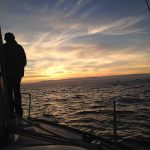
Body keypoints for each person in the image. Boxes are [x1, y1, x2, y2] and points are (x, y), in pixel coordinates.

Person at [3, 32, 27, 118]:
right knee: (16, 93)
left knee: (10, 93)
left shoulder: (3, 48)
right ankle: (18, 113)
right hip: (16, 75)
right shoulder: (19, 47)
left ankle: (12, 113)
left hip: (9, 75)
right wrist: (19, 71)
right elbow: (24, 62)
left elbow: (24, 61)